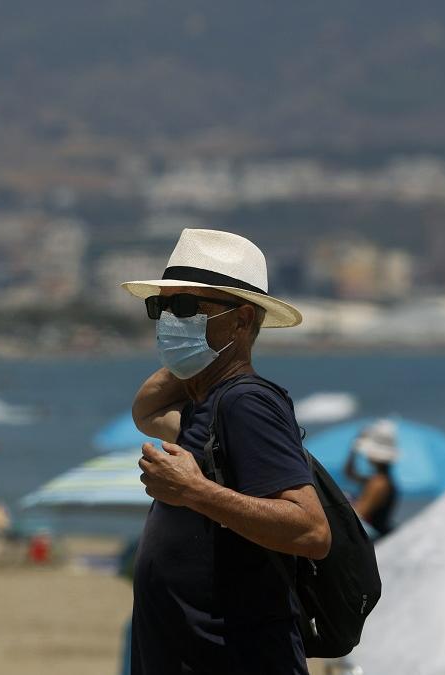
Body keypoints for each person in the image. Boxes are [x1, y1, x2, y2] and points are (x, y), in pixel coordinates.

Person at [124, 229, 331, 674]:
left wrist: (194, 492)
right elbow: (147, 408)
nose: (168, 322)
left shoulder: (246, 403)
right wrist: (195, 355)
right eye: (160, 307)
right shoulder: (210, 402)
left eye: (184, 308)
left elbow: (311, 531)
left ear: (240, 320)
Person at [345, 419, 400, 538]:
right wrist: (354, 451)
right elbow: (349, 473)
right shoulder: (381, 479)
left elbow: (360, 513)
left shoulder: (378, 483)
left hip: (375, 537)